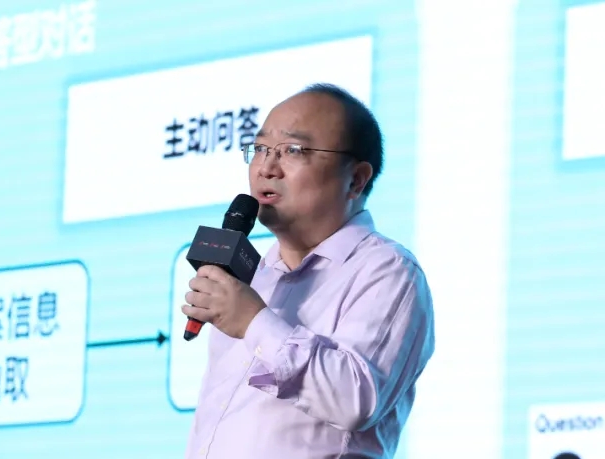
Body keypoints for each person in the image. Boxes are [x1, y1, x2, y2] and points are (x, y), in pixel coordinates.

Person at [181, 83, 435, 458]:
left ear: (356, 179)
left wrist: (254, 321)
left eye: (292, 151)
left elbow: (355, 400)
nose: (267, 168)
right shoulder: (255, 276)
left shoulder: (388, 271)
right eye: (260, 149)